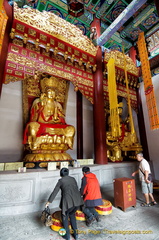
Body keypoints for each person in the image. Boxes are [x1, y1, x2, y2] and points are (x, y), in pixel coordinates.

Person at [45, 168, 83, 240]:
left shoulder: (61, 181)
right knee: (72, 215)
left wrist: (48, 202)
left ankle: (67, 235)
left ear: (61, 174)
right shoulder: (73, 179)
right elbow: (76, 188)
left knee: (64, 216)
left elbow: (55, 192)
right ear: (68, 173)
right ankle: (76, 234)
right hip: (77, 201)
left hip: (68, 203)